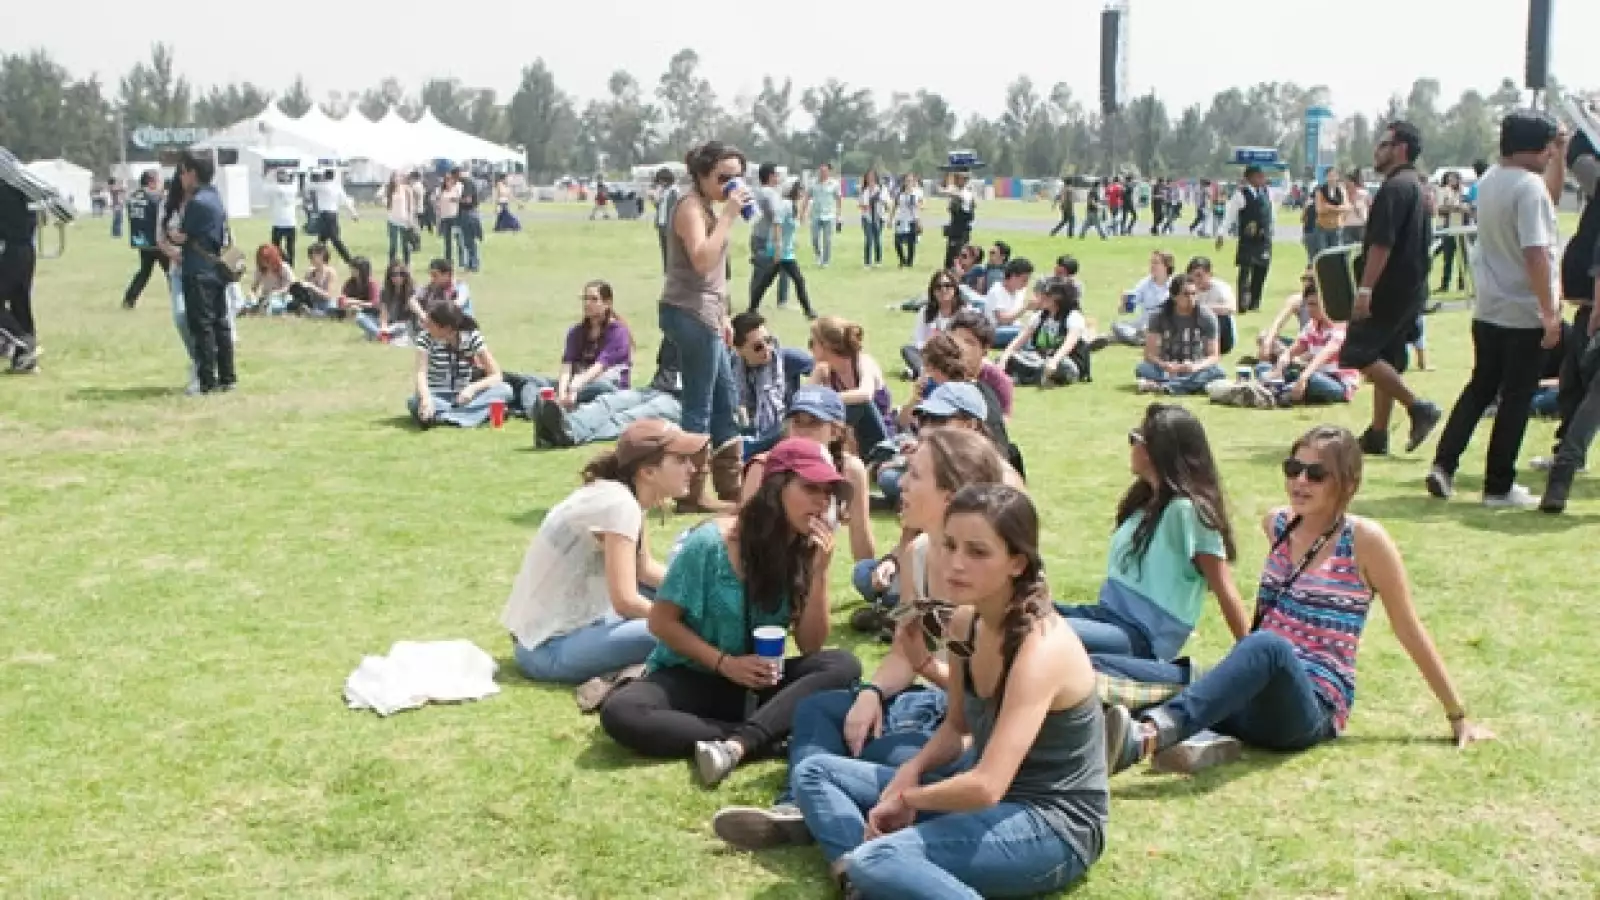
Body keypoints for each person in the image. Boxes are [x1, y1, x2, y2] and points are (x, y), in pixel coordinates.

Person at [1102, 425, 1495, 774]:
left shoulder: (1366, 542)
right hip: (1253, 690)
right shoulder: (1277, 524)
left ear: (1348, 483)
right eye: (1293, 469)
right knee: (1105, 661)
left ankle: (1146, 737)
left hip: (1310, 706)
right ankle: (1081, 718)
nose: (1300, 482)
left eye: (1316, 474)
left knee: (1268, 646)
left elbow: (1408, 628)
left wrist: (1457, 715)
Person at [791, 484, 1108, 898]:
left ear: (1017, 562)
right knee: (813, 772)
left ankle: (875, 870)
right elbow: (957, 726)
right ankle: (866, 881)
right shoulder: (964, 624)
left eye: (977, 552)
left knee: (877, 859)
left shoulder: (1041, 651)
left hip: (1051, 825)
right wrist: (913, 768)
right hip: (982, 801)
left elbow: (987, 786)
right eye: (949, 545)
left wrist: (910, 798)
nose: (956, 564)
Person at [710, 429, 1009, 850]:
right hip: (925, 703)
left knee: (884, 755)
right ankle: (797, 806)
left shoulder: (994, 569)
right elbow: (905, 650)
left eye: (914, 475)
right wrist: (872, 692)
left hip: (969, 725)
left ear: (951, 495)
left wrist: (927, 668)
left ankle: (833, 811)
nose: (900, 484)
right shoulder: (917, 554)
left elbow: (987, 698)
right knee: (819, 709)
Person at [598, 437, 863, 785]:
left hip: (760, 679)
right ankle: (761, 737)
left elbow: (811, 645)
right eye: (810, 488)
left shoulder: (802, 549)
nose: (821, 500)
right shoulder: (710, 544)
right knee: (622, 711)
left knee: (842, 664)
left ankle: (740, 743)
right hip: (695, 675)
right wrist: (724, 663)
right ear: (776, 489)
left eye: (828, 492)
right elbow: (661, 622)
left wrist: (820, 573)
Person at [1426, 111, 1567, 510]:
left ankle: (1444, 463)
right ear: (1534, 147)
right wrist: (1549, 312)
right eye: (1548, 147)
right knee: (1517, 398)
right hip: (1524, 309)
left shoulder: (1489, 180)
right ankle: (1498, 485)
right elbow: (1536, 253)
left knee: (1480, 388)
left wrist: (1559, 154)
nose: (1550, 155)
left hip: (1489, 306)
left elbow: (1548, 201)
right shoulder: (1529, 187)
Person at [503, 420, 706, 683]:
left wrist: (700, 595)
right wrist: (684, 624)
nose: (692, 468)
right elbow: (626, 601)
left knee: (677, 606)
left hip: (565, 630)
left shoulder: (622, 494)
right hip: (547, 649)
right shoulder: (619, 505)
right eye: (680, 460)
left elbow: (644, 570)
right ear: (648, 472)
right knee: (678, 635)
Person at [1058, 404, 1245, 658]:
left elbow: (1224, 588)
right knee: (1018, 613)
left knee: (1038, 632)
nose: (1131, 445)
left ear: (1155, 451)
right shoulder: (1143, 502)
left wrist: (1254, 655)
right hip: (1108, 617)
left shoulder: (1187, 512)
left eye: (1135, 437)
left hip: (1141, 638)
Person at [1341, 121, 1444, 457]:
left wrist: (1365, 290)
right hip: (1410, 286)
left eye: (1383, 144)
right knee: (1387, 357)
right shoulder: (1417, 186)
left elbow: (1382, 243)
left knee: (1358, 353)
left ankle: (1418, 407)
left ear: (1400, 149)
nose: (1376, 151)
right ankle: (1378, 433)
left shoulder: (1395, 187)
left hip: (1388, 286)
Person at [660, 142, 750, 513]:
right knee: (699, 406)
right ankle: (689, 493)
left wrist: (725, 314)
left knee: (726, 401)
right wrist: (728, 216)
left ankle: (732, 487)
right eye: (723, 178)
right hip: (689, 313)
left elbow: (716, 276)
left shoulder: (708, 207)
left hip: (708, 314)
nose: (731, 185)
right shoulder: (690, 207)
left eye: (737, 177)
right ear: (701, 175)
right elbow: (701, 260)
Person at [741, 386, 876, 569]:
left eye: (813, 423)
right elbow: (743, 540)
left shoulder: (850, 470)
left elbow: (864, 554)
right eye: (797, 422)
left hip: (812, 572)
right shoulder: (762, 467)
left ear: (835, 432)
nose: (802, 432)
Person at [527, 280, 633, 429]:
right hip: (575, 385)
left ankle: (552, 410)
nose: (588, 304)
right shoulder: (576, 331)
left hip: (607, 386)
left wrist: (575, 389)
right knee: (532, 383)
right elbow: (567, 365)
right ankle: (543, 411)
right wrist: (562, 392)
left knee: (601, 387)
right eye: (585, 299)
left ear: (607, 303)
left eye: (594, 299)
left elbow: (599, 367)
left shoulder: (618, 332)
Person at [172, 153, 235, 394]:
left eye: (183, 172)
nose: (181, 177)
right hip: (217, 268)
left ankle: (207, 380)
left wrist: (174, 236)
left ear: (193, 173)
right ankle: (227, 376)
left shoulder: (196, 203)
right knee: (220, 323)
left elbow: (183, 234)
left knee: (202, 327)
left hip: (198, 269)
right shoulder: (215, 196)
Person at [407, 297, 512, 429]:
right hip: (437, 395)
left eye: (431, 324)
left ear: (446, 328)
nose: (426, 327)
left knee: (505, 390)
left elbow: (496, 375)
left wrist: (471, 389)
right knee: (414, 402)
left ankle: (443, 417)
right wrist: (426, 398)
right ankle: (477, 415)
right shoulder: (425, 338)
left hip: (465, 396)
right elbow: (421, 373)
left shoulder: (471, 336)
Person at [1255, 276, 1359, 405]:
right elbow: (1291, 351)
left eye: (1314, 305)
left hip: (1337, 382)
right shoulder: (1312, 326)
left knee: (1312, 379)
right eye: (1308, 304)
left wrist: (1303, 378)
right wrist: (1278, 368)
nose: (1309, 309)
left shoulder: (1340, 327)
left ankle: (1276, 392)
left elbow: (1322, 357)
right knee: (1263, 367)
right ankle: (1279, 391)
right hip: (1313, 373)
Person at [730, 310, 813, 459]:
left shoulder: (786, 358)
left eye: (768, 341)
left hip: (782, 430)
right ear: (738, 350)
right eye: (758, 347)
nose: (767, 349)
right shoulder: (731, 367)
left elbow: (824, 367)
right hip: (749, 431)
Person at [809, 315, 894, 455]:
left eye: (812, 343)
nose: (810, 348)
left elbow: (865, 394)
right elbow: (805, 401)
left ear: (826, 345)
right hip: (847, 444)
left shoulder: (863, 362)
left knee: (858, 405)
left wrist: (826, 398)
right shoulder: (824, 371)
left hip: (880, 443)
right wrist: (816, 375)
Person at [1136, 273, 1225, 395]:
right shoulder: (1159, 315)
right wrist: (1165, 365)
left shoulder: (1206, 316)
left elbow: (1214, 355)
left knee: (1218, 372)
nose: (1191, 298)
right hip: (1167, 368)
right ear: (1174, 296)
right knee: (1143, 368)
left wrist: (1195, 367)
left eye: (1194, 294)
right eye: (1186, 294)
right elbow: (1149, 355)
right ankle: (1188, 385)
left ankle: (1166, 386)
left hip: (1194, 367)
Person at [997, 277, 1090, 387]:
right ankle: (1032, 378)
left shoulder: (1073, 317)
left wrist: (1054, 361)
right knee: (1007, 358)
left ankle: (1022, 378)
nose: (1040, 298)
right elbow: (1019, 340)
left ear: (1057, 298)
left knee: (1062, 366)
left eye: (1045, 295)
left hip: (1065, 362)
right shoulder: (1040, 316)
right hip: (1041, 360)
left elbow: (1068, 344)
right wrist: (1004, 357)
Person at [749, 178, 817, 318]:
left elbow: (790, 228)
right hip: (778, 251)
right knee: (790, 280)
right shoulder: (785, 204)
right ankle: (808, 311)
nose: (802, 192)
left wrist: (792, 242)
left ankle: (752, 308)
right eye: (800, 189)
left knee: (770, 281)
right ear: (792, 190)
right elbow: (777, 224)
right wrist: (778, 247)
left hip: (787, 251)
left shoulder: (793, 205)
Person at [1217, 165, 1275, 313]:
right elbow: (1230, 215)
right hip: (1248, 239)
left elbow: (1271, 213)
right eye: (1259, 176)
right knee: (1245, 270)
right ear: (1250, 178)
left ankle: (1254, 303)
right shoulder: (1241, 195)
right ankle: (1242, 303)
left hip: (1264, 239)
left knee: (1261, 270)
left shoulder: (1267, 192)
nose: (1262, 179)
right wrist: (1222, 233)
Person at [901, 271, 964, 379]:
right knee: (907, 350)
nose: (943, 290)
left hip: (953, 354)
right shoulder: (925, 312)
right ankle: (925, 373)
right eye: (938, 287)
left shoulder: (964, 312)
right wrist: (930, 346)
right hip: (930, 354)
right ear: (933, 291)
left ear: (955, 289)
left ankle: (918, 372)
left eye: (947, 286)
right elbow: (918, 340)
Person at [960, 257, 1032, 349]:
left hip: (1010, 329)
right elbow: (1002, 319)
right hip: (993, 332)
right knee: (1024, 332)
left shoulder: (1019, 292)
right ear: (1013, 276)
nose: (1026, 284)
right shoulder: (997, 291)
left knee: (1029, 329)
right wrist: (1025, 308)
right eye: (1024, 280)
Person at [121, 169, 168, 310]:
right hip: (157, 240)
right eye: (159, 181)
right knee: (172, 272)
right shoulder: (156, 197)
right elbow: (163, 217)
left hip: (141, 240)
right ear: (151, 181)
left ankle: (129, 299)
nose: (160, 184)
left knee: (144, 271)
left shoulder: (133, 197)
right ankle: (182, 300)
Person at [747, 164, 791, 309]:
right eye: (776, 175)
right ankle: (781, 301)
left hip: (757, 234)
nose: (778, 178)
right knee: (782, 267)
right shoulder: (770, 193)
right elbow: (777, 216)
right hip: (769, 238)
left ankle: (754, 301)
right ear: (771, 176)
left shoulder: (756, 192)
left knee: (759, 270)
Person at [1111, 250, 1176, 346]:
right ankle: (1142, 339)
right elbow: (1126, 310)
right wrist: (1125, 302)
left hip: (1166, 324)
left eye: (1156, 263)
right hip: (1145, 325)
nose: (1152, 266)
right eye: (1151, 262)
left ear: (1167, 266)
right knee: (1116, 325)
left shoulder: (1175, 283)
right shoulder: (1145, 283)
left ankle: (1138, 338)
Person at [1186, 257, 1238, 356]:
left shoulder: (1220, 288)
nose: (1196, 280)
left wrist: (1204, 309)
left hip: (1223, 337)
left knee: (1220, 317)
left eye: (1199, 275)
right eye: (1192, 276)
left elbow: (1231, 308)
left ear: (1209, 275)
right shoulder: (1188, 289)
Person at [356, 261, 416, 342]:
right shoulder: (385, 292)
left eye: (401, 274)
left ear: (405, 275)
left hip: (403, 325)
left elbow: (410, 319)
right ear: (389, 276)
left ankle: (377, 335)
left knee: (401, 327)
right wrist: (384, 328)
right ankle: (380, 335)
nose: (398, 277)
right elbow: (384, 315)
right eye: (394, 275)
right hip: (388, 324)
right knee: (360, 318)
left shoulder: (412, 291)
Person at [309, 168, 358, 266]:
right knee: (329, 240)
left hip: (323, 215)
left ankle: (322, 260)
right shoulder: (336, 187)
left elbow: (308, 186)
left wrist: (313, 174)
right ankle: (346, 260)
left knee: (326, 241)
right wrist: (353, 213)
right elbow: (346, 201)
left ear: (324, 176)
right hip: (332, 215)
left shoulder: (319, 186)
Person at [1433, 170, 1467, 294]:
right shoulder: (1445, 192)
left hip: (1462, 228)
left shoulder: (1464, 193)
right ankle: (1445, 284)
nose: (1451, 182)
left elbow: (1469, 208)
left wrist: (1462, 207)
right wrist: (1452, 207)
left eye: (1454, 179)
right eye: (1449, 180)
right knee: (1448, 258)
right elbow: (1440, 209)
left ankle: (1462, 284)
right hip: (1449, 228)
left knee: (1463, 258)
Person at [244, 244, 297, 315]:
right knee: (249, 301)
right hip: (265, 297)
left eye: (266, 259)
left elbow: (292, 286)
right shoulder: (260, 270)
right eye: (262, 259)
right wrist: (251, 294)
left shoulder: (283, 267)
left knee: (271, 304)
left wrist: (276, 293)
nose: (264, 262)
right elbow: (254, 287)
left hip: (283, 297)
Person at [938, 171, 977, 269]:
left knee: (960, 252)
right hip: (955, 226)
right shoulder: (956, 190)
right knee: (951, 253)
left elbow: (956, 195)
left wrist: (949, 191)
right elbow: (942, 190)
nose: (957, 181)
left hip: (962, 227)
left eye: (959, 178)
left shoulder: (967, 193)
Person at [807, 163, 842, 267]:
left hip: (829, 215)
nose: (822, 173)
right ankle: (818, 255)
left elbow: (839, 199)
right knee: (814, 238)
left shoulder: (834, 184)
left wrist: (839, 214)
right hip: (815, 215)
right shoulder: (813, 183)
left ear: (828, 172)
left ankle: (826, 261)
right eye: (821, 171)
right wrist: (802, 213)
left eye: (825, 171)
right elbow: (807, 197)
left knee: (827, 240)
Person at [1310, 169, 1349, 259]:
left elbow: (1346, 207)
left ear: (1337, 177)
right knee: (1324, 255)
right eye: (1329, 176)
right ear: (1326, 178)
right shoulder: (1320, 191)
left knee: (1337, 254)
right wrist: (1337, 208)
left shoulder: (1342, 190)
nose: (1332, 178)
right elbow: (1319, 209)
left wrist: (1329, 207)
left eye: (1334, 176)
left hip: (1337, 227)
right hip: (1322, 227)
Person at [381, 171, 417, 265]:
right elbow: (383, 200)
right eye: (395, 177)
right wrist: (385, 198)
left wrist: (410, 219)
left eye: (398, 177)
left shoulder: (406, 189)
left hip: (404, 220)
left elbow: (410, 206)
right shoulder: (388, 189)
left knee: (405, 244)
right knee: (393, 244)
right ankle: (392, 264)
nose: (397, 179)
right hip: (392, 220)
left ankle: (407, 264)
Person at [266, 170, 299, 267]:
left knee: (276, 247)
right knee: (289, 247)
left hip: (279, 222)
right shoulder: (293, 187)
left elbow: (266, 187)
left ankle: (282, 262)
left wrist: (270, 175)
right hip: (289, 222)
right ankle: (290, 264)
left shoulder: (276, 187)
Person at [652, 167, 682, 274]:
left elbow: (674, 208)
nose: (661, 183)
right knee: (664, 248)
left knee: (671, 249)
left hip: (669, 224)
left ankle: (672, 270)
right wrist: (656, 198)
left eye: (662, 180)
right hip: (661, 223)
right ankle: (666, 270)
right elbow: (659, 207)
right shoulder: (663, 191)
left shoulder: (674, 191)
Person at [891, 173, 923, 268]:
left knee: (911, 243)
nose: (909, 182)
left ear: (913, 182)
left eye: (911, 180)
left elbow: (922, 205)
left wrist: (917, 205)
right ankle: (902, 259)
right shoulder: (900, 193)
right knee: (897, 241)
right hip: (901, 219)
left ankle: (909, 262)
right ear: (904, 182)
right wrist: (890, 219)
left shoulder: (917, 192)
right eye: (907, 180)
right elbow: (894, 206)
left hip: (912, 220)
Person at [456, 167, 483, 272]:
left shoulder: (467, 183)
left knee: (469, 240)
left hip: (468, 213)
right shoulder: (465, 183)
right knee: (467, 241)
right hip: (467, 213)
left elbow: (468, 200)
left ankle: (474, 263)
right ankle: (471, 263)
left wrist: (454, 200)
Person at [858, 169, 887, 268]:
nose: (870, 178)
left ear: (875, 177)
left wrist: (878, 199)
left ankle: (878, 260)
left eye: (872, 176)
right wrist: (865, 206)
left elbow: (886, 202)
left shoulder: (881, 189)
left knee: (877, 239)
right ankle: (867, 262)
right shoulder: (864, 190)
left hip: (879, 217)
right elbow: (860, 204)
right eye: (868, 176)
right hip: (867, 217)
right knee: (868, 239)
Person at [435, 169, 463, 266]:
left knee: (459, 239)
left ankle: (461, 260)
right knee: (447, 241)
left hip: (455, 217)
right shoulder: (441, 191)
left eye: (450, 180)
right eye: (446, 180)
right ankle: (448, 260)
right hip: (445, 218)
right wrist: (438, 218)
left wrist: (456, 199)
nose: (448, 183)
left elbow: (460, 200)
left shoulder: (456, 190)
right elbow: (438, 204)